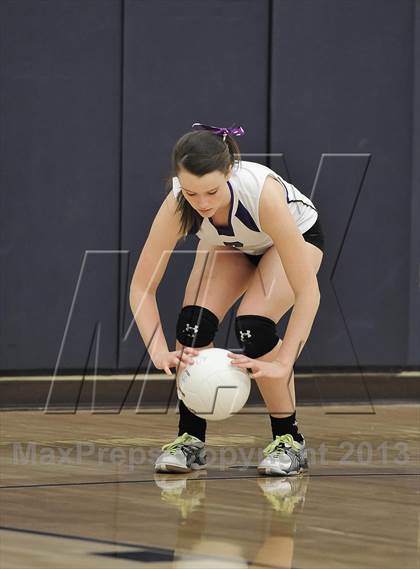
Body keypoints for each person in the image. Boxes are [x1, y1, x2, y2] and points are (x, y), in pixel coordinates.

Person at [129, 122, 324, 476]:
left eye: (211, 192)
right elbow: (141, 287)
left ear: (230, 172)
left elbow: (308, 292)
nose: (202, 204)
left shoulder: (261, 194)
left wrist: (283, 362)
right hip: (231, 245)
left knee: (254, 325)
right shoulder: (178, 204)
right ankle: (190, 440)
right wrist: (157, 349)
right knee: (193, 324)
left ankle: (288, 441)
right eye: (191, 193)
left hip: (293, 239)